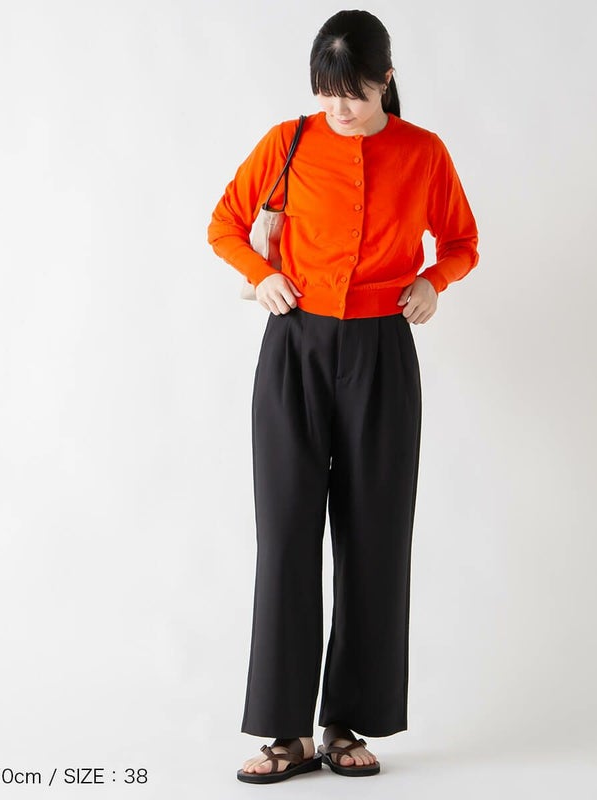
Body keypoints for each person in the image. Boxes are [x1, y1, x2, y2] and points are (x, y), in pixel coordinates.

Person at [207, 9, 479, 784]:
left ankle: (345, 724)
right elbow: (224, 225)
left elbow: (462, 240)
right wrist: (262, 275)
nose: (340, 109)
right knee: (286, 533)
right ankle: (286, 733)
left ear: (385, 79)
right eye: (327, 93)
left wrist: (433, 281)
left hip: (382, 352)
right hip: (294, 347)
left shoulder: (423, 152)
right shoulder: (287, 142)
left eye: (354, 93)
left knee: (375, 537)